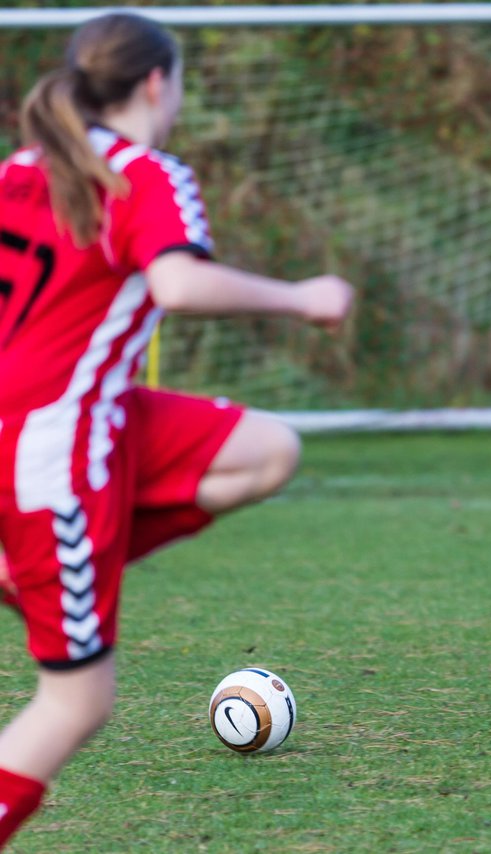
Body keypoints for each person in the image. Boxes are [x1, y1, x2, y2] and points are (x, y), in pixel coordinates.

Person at [0, 12, 354, 845]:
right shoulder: (146, 173)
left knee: (269, 451)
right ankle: (39, 563)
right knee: (77, 702)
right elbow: (179, 285)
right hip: (59, 444)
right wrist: (302, 298)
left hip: (81, 418)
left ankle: (34, 568)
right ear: (158, 83)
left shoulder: (20, 169)